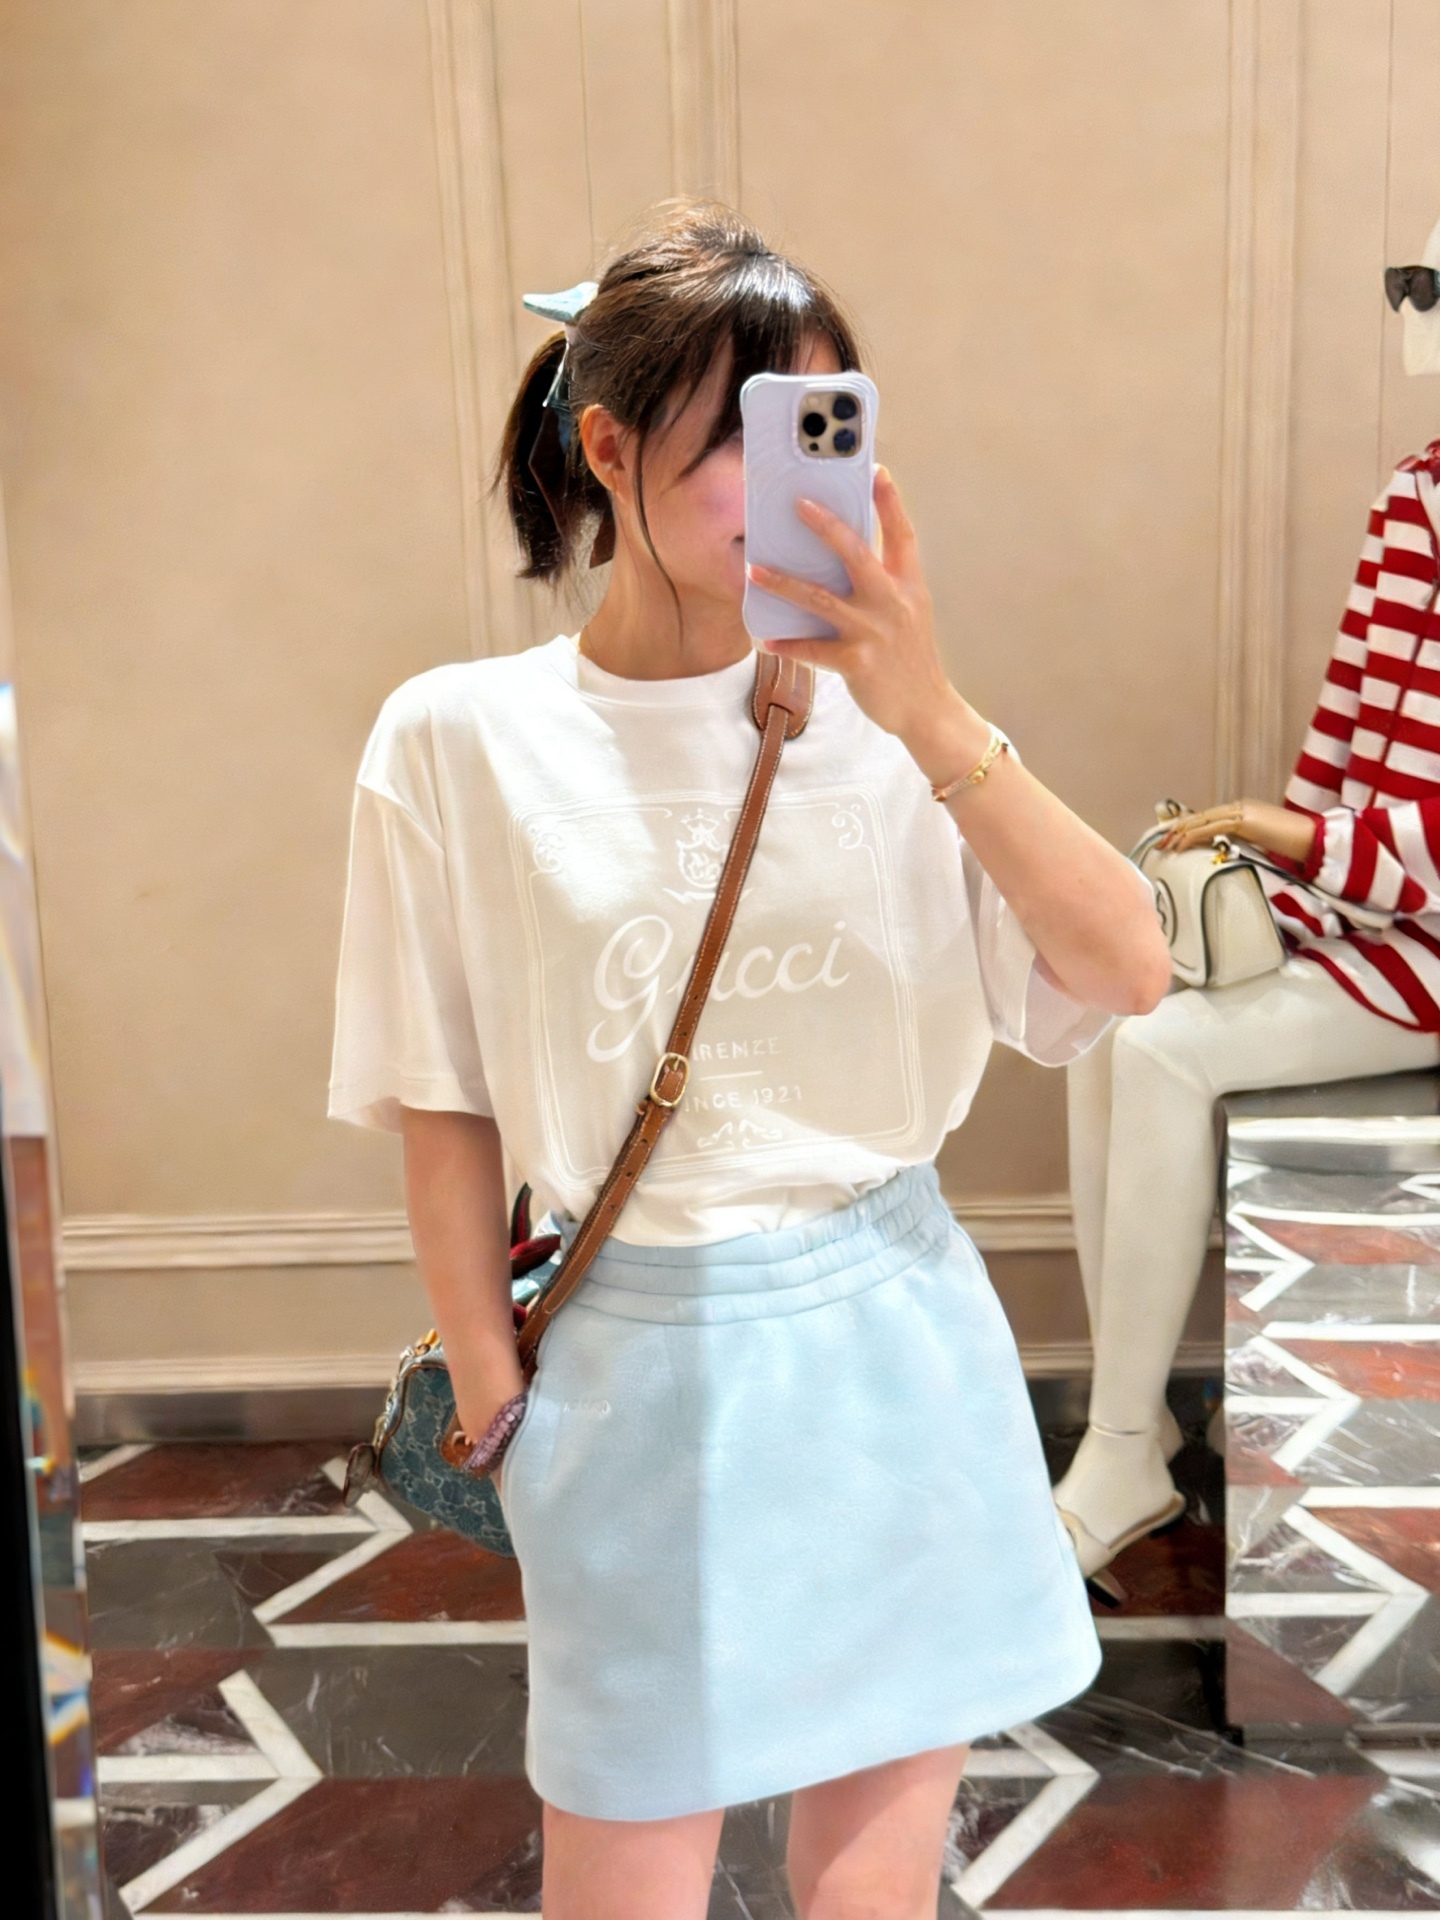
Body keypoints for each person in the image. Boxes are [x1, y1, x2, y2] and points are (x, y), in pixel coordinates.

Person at [329, 202, 1168, 1920]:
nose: (784, 480)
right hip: (637, 1384)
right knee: (624, 1880)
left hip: (899, 1352)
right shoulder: (458, 740)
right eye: (737, 439)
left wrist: (929, 708)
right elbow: (443, 1101)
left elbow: (1126, 969)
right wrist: (494, 1397)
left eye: (818, 428)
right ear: (606, 449)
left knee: (871, 1889)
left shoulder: (895, 727)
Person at [1057, 222, 1440, 1587]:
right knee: (1110, 1010)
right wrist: (1284, 871)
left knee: (1163, 1048)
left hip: (1427, 934)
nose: (1415, 312)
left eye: (1431, 288)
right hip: (1374, 900)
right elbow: (1348, 728)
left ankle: (1121, 1448)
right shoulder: (1418, 489)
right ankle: (1136, 1420)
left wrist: (1308, 845)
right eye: (1410, 284)